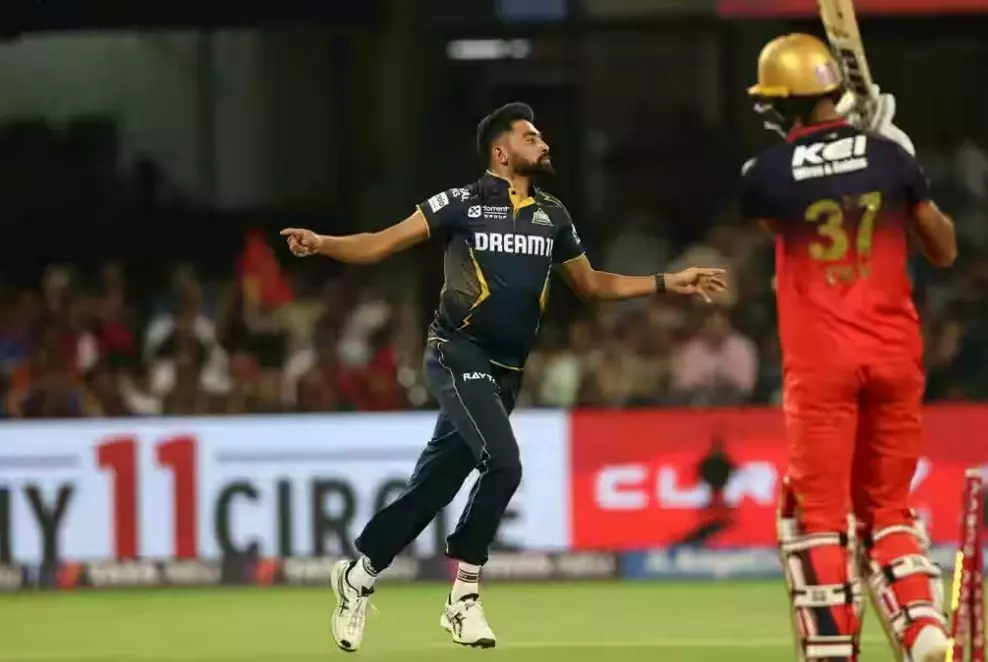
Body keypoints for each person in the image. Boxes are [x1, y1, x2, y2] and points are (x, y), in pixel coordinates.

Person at [281, 102, 725, 651]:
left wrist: (668, 281)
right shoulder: (461, 203)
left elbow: (592, 287)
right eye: (530, 135)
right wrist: (322, 243)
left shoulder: (553, 216)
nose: (543, 142)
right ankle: (463, 597)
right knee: (505, 462)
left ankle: (359, 574)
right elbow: (380, 242)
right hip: (455, 352)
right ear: (501, 151)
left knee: (434, 488)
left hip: (506, 372)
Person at [740, 35, 957, 662]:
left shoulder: (767, 175)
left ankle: (833, 652)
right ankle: (922, 630)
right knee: (888, 507)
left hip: (823, 364)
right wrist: (902, 164)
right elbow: (943, 248)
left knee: (817, 516)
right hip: (896, 356)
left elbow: (776, 211)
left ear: (781, 107)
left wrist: (843, 155)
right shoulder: (892, 160)